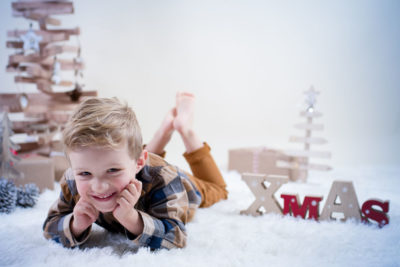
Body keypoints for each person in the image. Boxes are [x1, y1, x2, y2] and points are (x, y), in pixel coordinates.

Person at [43, 92, 228, 250]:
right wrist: (75, 225)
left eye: (112, 170)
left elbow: (176, 237)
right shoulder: (72, 180)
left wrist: (132, 219)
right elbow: (49, 227)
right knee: (126, 156)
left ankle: (185, 129)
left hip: (180, 185)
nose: (98, 187)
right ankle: (162, 133)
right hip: (139, 162)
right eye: (85, 174)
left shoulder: (166, 179)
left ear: (140, 162)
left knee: (219, 190)